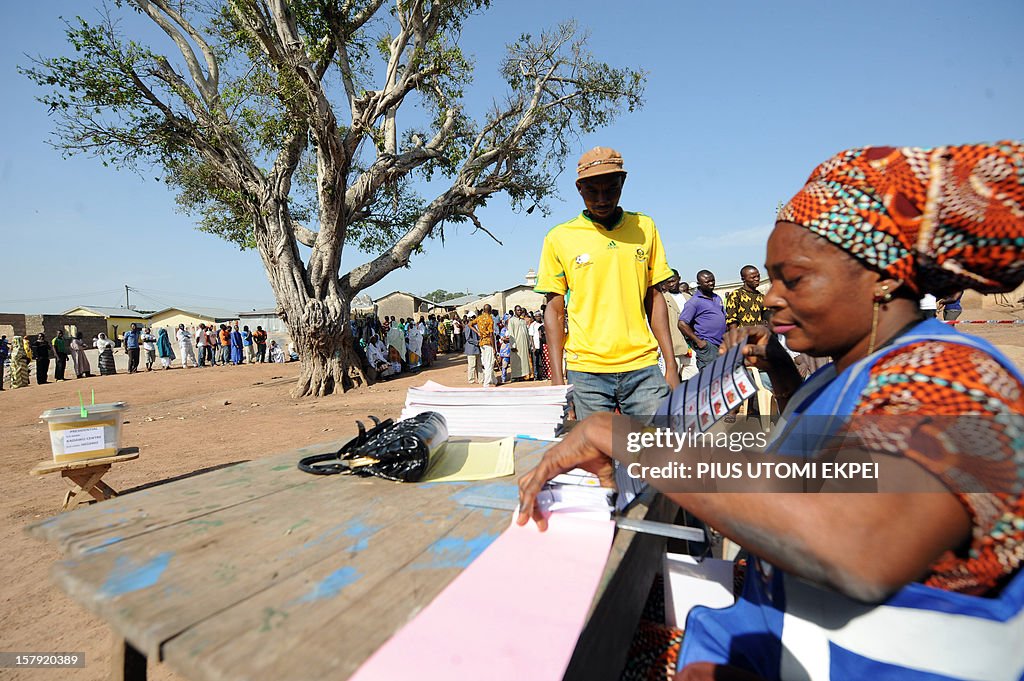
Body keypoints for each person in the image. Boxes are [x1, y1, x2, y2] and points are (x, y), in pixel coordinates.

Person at [517, 142, 1024, 681]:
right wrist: (783, 374)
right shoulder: (847, 371)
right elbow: (828, 468)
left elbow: (856, 544)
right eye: (771, 278)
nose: (773, 298)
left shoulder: (954, 380)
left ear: (882, 277)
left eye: (795, 279)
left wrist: (626, 438)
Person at [535, 146, 678, 423]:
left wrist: (670, 364)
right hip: (587, 372)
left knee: (658, 452)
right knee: (598, 458)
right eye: (592, 191)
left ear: (622, 183)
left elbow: (654, 298)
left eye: (611, 189)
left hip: (643, 368)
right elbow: (554, 311)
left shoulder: (644, 227)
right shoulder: (559, 237)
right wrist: (557, 380)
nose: (602, 199)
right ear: (579, 189)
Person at [677, 270, 727, 370]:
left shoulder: (717, 298)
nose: (711, 283)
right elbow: (682, 324)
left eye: (713, 280)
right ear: (699, 283)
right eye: (707, 282)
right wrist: (699, 341)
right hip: (708, 346)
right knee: (710, 377)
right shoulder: (694, 302)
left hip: (721, 344)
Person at [658, 269, 697, 383]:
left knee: (692, 379)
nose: (671, 284)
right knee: (673, 379)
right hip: (674, 346)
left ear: (679, 279)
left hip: (690, 346)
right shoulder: (662, 299)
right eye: (668, 282)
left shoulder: (688, 297)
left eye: (673, 281)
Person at [469, 305, 496, 387]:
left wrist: (478, 332)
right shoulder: (490, 319)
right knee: (489, 363)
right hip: (488, 343)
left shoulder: (479, 318)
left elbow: (470, 324)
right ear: (490, 310)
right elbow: (491, 334)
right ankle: (486, 383)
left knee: (485, 362)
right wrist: (494, 347)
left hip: (481, 343)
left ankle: (494, 380)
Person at [506, 306, 532, 381]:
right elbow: (511, 333)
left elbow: (526, 333)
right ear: (515, 311)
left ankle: (523, 375)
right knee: (516, 360)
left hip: (524, 343)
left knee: (524, 360)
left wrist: (528, 343)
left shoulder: (523, 320)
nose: (519, 311)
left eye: (520, 310)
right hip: (516, 343)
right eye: (518, 310)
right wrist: (513, 345)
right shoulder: (512, 320)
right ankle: (516, 376)